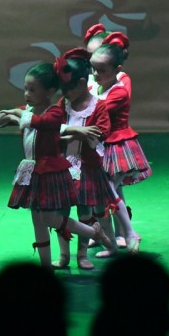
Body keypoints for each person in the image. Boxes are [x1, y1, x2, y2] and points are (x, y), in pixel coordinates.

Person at [0, 61, 114, 268]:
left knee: (51, 219)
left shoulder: (54, 112)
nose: (27, 94)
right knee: (38, 222)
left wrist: (17, 114)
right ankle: (46, 266)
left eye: (32, 90)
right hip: (32, 171)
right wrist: (3, 116)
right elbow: (7, 119)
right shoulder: (27, 110)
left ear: (50, 92)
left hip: (50, 172)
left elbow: (40, 122)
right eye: (26, 89)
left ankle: (92, 232)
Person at [53, 48, 140, 270]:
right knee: (63, 212)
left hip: (93, 162)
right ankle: (65, 254)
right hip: (65, 164)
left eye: (68, 88)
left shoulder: (101, 102)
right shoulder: (64, 103)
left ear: (81, 84)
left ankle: (85, 252)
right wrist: (75, 132)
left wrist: (73, 133)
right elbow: (52, 126)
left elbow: (99, 132)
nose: (65, 93)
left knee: (91, 208)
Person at [90, 32, 150, 257]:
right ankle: (115, 238)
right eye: (93, 69)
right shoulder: (98, 88)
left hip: (116, 146)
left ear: (116, 69)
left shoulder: (118, 91)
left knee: (108, 192)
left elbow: (95, 111)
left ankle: (129, 233)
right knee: (110, 192)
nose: (95, 74)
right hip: (103, 145)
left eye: (101, 70)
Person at [84, 23, 132, 248]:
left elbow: (104, 107)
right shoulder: (92, 77)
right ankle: (104, 232)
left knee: (112, 188)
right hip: (97, 142)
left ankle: (123, 232)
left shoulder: (121, 81)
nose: (93, 61)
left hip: (114, 142)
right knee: (100, 188)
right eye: (89, 56)